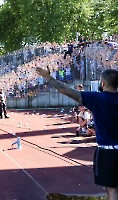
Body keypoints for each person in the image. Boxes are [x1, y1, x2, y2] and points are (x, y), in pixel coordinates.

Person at [36, 67, 118, 200]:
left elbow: (68, 91)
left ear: (102, 83)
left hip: (107, 152)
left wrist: (49, 78)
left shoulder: (96, 98)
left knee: (113, 191)